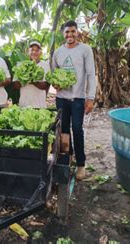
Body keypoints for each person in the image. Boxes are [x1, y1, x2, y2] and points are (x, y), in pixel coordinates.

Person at [52, 20, 96, 180]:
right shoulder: (58, 52)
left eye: (72, 31)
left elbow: (91, 74)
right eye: (67, 32)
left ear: (77, 32)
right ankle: (67, 158)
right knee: (63, 131)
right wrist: (55, 83)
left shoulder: (85, 50)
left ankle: (81, 165)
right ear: (63, 34)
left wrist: (90, 98)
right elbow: (53, 74)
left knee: (77, 130)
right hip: (61, 98)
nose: (70, 35)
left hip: (78, 98)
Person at [12, 41, 50, 108]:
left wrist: (29, 79)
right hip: (24, 104)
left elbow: (45, 86)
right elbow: (15, 85)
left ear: (40, 52)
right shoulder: (21, 65)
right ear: (28, 52)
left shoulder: (45, 65)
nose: (34, 52)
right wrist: (28, 78)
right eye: (32, 50)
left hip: (39, 105)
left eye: (37, 50)